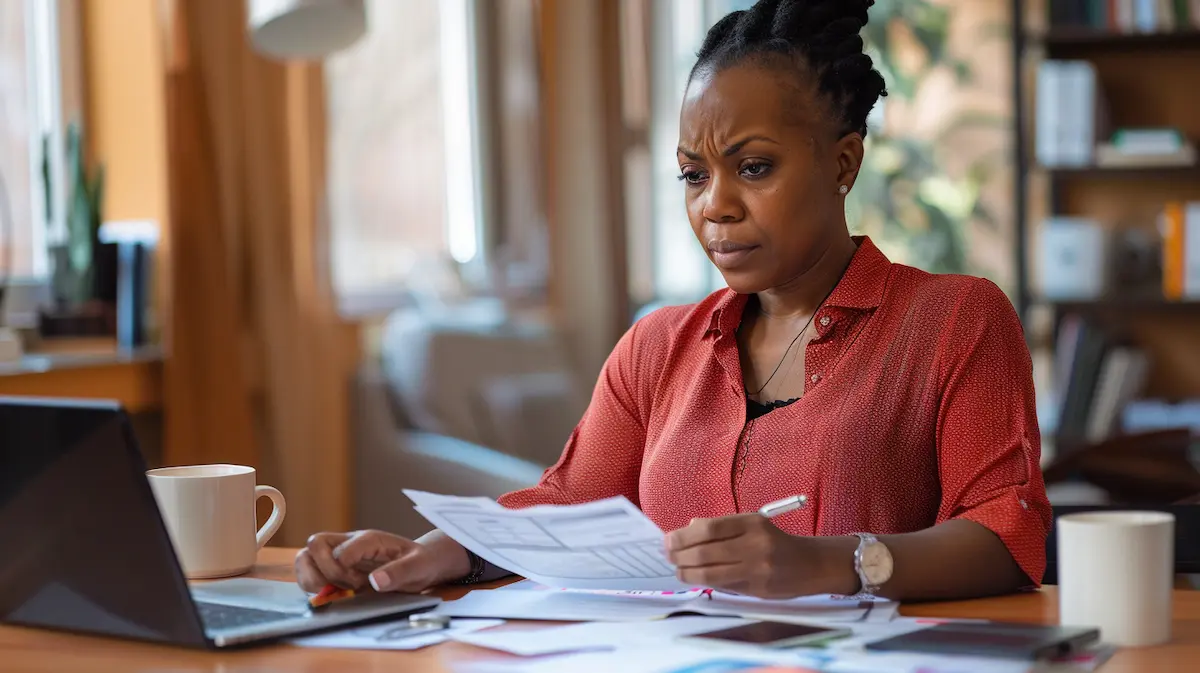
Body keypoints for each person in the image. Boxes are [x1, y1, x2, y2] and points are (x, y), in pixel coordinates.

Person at [297, 0, 1050, 602]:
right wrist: (431, 555)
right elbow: (568, 503)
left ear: (843, 162)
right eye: (694, 175)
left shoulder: (955, 319)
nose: (715, 206)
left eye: (753, 167)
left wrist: (832, 564)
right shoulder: (656, 346)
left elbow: (1006, 532)